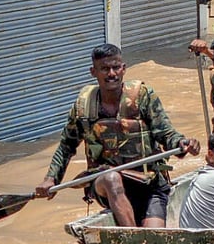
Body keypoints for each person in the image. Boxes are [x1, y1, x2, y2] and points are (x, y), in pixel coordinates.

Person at [35, 43, 201, 228]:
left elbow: (165, 132)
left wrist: (182, 143)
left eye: (115, 67)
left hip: (148, 183)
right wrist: (51, 179)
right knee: (111, 177)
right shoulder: (84, 106)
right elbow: (66, 146)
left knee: (155, 238)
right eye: (104, 69)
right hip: (105, 184)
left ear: (124, 69)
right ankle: (133, 241)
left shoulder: (143, 96)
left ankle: (139, 242)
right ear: (93, 72)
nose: (111, 74)